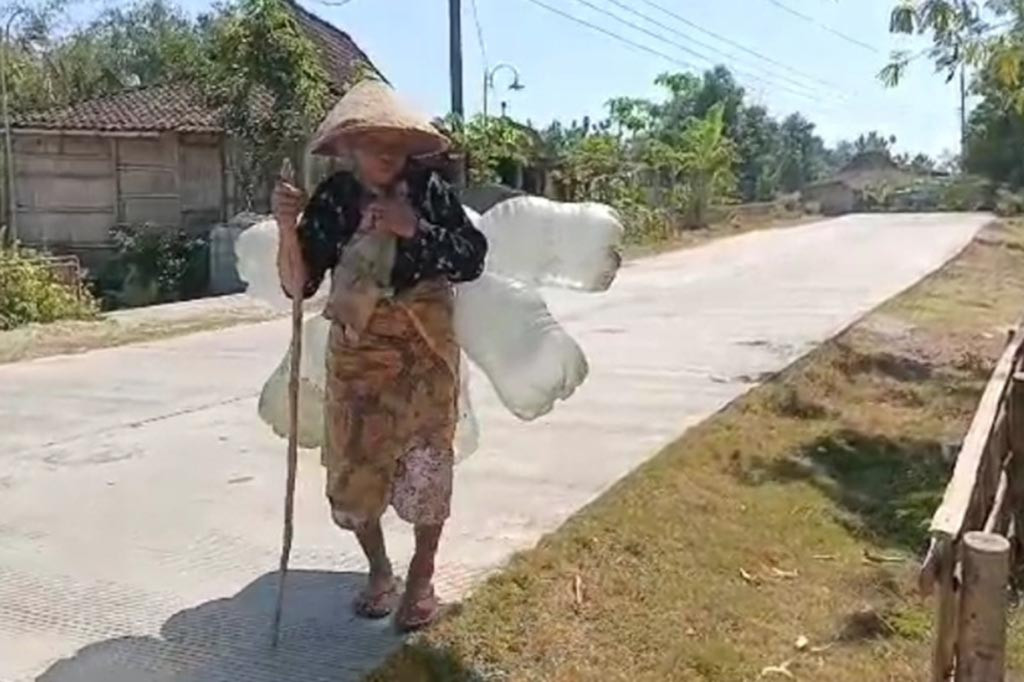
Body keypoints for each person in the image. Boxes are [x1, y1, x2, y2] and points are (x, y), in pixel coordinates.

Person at [272, 80, 487, 632]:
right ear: (348, 148)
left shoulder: (429, 192)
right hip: (358, 357)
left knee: (426, 469)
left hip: (424, 355)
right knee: (352, 477)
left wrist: (410, 227)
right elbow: (298, 287)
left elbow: (471, 259)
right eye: (373, 140)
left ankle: (421, 576)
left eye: (396, 141)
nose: (387, 151)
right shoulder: (335, 202)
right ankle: (379, 570)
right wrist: (284, 228)